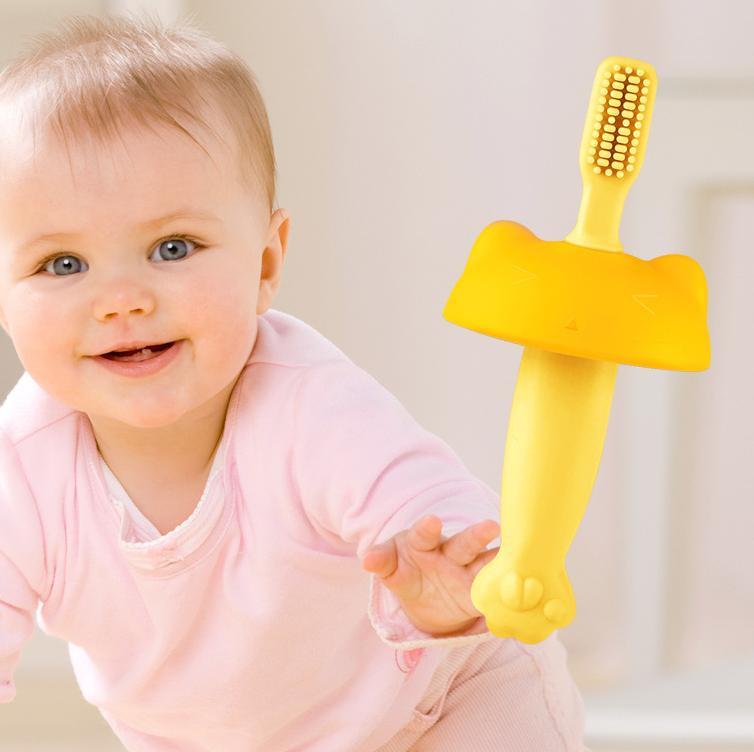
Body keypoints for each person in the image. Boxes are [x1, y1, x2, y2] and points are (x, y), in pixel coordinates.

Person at [0, 15, 586, 752]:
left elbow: (420, 496)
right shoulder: (22, 465)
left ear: (267, 265)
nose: (121, 298)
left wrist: (450, 581)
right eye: (62, 264)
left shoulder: (307, 404)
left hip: (442, 696)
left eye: (171, 248)